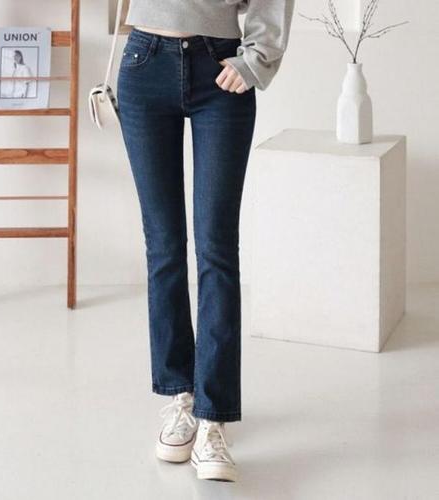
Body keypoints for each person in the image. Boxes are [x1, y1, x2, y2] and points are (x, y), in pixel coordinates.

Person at [117, 0, 295, 482]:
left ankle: (213, 417)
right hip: (143, 60)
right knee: (164, 248)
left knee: (216, 249)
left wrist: (256, 60)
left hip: (220, 65)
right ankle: (181, 397)